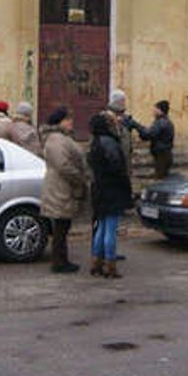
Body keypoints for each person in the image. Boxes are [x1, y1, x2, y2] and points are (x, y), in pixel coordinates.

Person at [40, 106, 90, 274]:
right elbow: (63, 166)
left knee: (63, 227)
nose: (71, 123)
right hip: (60, 189)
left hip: (63, 187)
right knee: (61, 228)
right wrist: (78, 178)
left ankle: (62, 260)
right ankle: (59, 263)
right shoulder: (56, 139)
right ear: (59, 122)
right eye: (68, 120)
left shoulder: (60, 138)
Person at [87, 111, 132, 278]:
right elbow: (117, 167)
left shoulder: (95, 143)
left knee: (101, 227)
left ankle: (96, 262)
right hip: (112, 189)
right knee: (110, 230)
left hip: (99, 188)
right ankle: (110, 265)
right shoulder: (110, 143)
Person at [135, 100, 175, 179]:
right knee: (163, 177)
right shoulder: (165, 121)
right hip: (164, 153)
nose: (153, 112)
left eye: (155, 110)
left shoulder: (161, 123)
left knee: (160, 178)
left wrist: (137, 126)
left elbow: (148, 134)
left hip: (162, 155)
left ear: (160, 110)